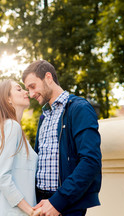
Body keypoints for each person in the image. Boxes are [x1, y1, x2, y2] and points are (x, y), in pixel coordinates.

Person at [22, 60, 102, 216]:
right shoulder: (43, 117)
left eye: (33, 86)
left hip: (66, 205)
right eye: (28, 89)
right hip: (41, 205)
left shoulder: (79, 108)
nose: (31, 94)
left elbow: (90, 161)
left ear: (48, 77)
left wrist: (58, 201)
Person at [0, 80, 41, 216]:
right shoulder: (11, 127)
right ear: (8, 99)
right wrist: (30, 210)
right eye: (19, 89)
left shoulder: (11, 128)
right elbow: (1, 176)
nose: (25, 92)